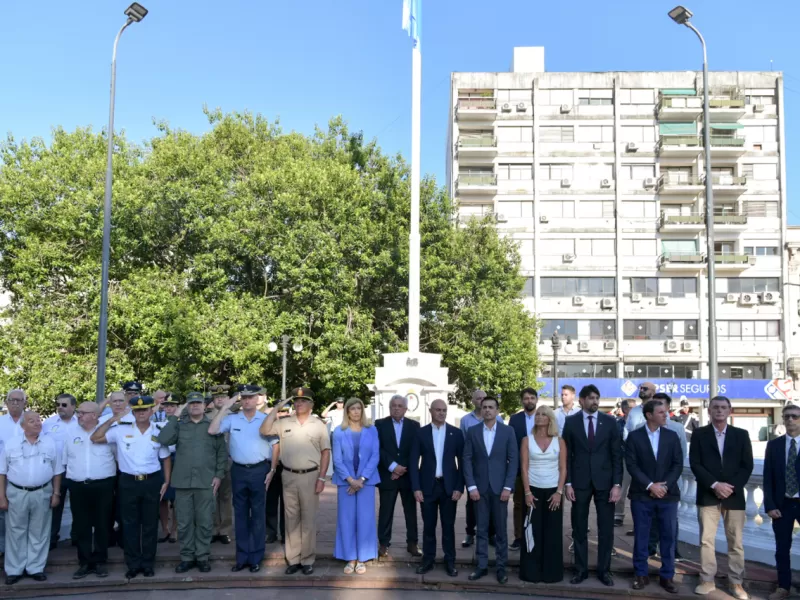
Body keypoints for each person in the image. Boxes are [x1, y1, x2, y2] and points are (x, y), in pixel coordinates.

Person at [91, 395, 171, 579]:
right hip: (128, 482)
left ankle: (148, 563)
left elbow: (165, 457)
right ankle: (133, 564)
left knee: (150, 524)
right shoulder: (120, 430)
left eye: (145, 410)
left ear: (151, 411)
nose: (141, 413)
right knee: (130, 525)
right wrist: (112, 418)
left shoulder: (160, 431)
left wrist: (166, 481)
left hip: (152, 481)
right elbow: (95, 437)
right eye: (137, 410)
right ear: (133, 412)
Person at [261, 387, 331, 576]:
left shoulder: (318, 425)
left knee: (308, 519)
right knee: (291, 518)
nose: (299, 404)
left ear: (311, 404)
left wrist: (322, 477)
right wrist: (277, 407)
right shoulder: (284, 422)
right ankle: (293, 559)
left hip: (310, 476)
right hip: (288, 475)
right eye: (296, 401)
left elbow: (326, 452)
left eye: (303, 401)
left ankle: (307, 559)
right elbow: (265, 429)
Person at [689, 396, 753, 600]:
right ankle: (707, 579)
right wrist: (715, 485)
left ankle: (736, 583)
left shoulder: (741, 435)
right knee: (706, 540)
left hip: (734, 497)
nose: (719, 410)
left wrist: (729, 488)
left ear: (730, 411)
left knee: (735, 542)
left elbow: (747, 466)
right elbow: (695, 464)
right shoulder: (699, 434)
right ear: (709, 411)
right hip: (708, 495)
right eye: (715, 407)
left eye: (723, 407)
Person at [158, 391, 228, 574]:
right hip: (182, 483)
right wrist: (174, 417)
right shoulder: (180, 426)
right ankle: (187, 557)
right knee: (184, 523)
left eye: (198, 402)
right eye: (191, 403)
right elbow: (163, 439)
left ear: (205, 406)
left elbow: (222, 453)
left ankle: (203, 557)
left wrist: (219, 475)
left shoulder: (213, 426)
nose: (195, 405)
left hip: (206, 482)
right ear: (186, 406)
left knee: (205, 522)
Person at [208, 384, 275, 573]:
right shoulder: (232, 418)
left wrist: (272, 469)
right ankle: (242, 557)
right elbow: (212, 430)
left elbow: (276, 445)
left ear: (257, 399)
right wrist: (225, 408)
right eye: (243, 397)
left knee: (258, 515)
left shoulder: (265, 419)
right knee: (241, 516)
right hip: (238, 470)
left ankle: (256, 557)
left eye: (250, 397)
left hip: (259, 470)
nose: (246, 400)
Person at [562, 384, 622, 587]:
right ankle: (580, 570)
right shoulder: (570, 423)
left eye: (597, 398)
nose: (594, 401)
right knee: (579, 528)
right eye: (590, 398)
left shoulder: (610, 422)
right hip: (578, 483)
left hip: (605, 483)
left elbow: (617, 455)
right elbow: (567, 456)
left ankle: (605, 571)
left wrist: (617, 484)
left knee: (606, 528)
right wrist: (568, 483)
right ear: (581, 400)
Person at [0, 411, 64, 585]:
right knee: (15, 532)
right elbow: (2, 472)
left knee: (40, 531)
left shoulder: (50, 443)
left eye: (38, 420)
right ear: (23, 426)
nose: (37, 423)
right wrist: (2, 497)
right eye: (32, 421)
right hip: (17, 493)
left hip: (43, 492)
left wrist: (56, 493)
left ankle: (35, 568)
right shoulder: (11, 444)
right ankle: (14, 570)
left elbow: (57, 471)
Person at [626, 400, 683, 594]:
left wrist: (663, 486)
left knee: (668, 536)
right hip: (642, 495)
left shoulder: (672, 436)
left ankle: (667, 576)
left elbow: (677, 464)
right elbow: (632, 465)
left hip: (667, 496)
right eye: (660, 412)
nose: (665, 415)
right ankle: (640, 574)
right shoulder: (634, 437)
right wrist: (650, 485)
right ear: (649, 415)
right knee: (642, 535)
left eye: (665, 412)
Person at [463, 396, 518, 584]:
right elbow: (466, 460)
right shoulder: (472, 431)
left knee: (501, 531)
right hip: (479, 489)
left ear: (497, 410)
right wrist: (471, 486)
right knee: (481, 530)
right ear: (481, 408)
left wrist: (508, 487)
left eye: (491, 407)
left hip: (500, 489)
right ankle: (481, 566)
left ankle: (502, 568)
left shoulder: (507, 431)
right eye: (484, 407)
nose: (487, 410)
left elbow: (513, 462)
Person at [61, 401, 117, 579]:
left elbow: (117, 458)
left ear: (94, 415)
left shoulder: (107, 432)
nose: (79, 415)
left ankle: (100, 561)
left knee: (102, 524)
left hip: (103, 485)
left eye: (83, 413)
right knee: (82, 525)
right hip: (78, 485)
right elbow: (65, 460)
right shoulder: (69, 433)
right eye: (78, 412)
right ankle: (84, 562)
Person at [410, 399, 464, 578]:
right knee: (428, 526)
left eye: (444, 410)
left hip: (449, 488)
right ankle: (428, 560)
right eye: (438, 410)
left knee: (448, 526)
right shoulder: (421, 433)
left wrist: (459, 487)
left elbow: (463, 463)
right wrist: (416, 487)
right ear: (431, 411)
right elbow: (413, 462)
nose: (441, 413)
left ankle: (450, 561)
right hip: (428, 487)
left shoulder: (455, 433)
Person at [332, 397, 380, 574]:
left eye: (358, 408)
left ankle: (362, 558)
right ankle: (350, 558)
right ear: (347, 412)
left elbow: (375, 456)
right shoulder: (338, 432)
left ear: (362, 410)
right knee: (347, 519)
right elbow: (337, 459)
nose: (356, 412)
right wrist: (351, 480)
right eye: (352, 409)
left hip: (366, 482)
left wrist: (361, 480)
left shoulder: (372, 430)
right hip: (345, 482)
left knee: (365, 519)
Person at [519, 404, 566, 584]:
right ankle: (531, 573)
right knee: (532, 530)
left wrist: (559, 492)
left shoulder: (559, 441)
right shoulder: (526, 440)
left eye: (543, 414)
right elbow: (524, 468)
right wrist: (527, 492)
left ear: (549, 419)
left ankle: (551, 574)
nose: (539, 417)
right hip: (533, 490)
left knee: (552, 533)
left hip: (554, 491)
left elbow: (563, 469)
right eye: (537, 414)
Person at [375, 394, 421, 557]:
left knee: (410, 511)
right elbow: (378, 449)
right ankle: (383, 544)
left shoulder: (415, 426)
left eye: (400, 406)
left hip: (408, 477)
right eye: (393, 405)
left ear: (405, 409)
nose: (396, 408)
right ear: (389, 407)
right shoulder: (379, 425)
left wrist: (402, 469)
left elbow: (415, 451)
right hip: (388, 476)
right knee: (386, 511)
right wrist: (393, 467)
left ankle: (412, 543)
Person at [763, 403, 800, 600]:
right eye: (787, 417)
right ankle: (783, 587)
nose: (790, 420)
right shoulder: (774, 445)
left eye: (794, 416)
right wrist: (770, 506)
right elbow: (767, 478)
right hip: (782, 504)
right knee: (782, 549)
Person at [459, 389, 504, 548]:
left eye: (484, 398)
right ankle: (470, 532)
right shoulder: (465, 421)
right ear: (473, 401)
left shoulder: (499, 419)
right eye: (478, 399)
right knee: (472, 502)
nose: (482, 401)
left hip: (492, 471)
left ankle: (491, 534)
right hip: (473, 469)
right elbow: (465, 446)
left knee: (492, 502)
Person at [648, 393, 688, 561]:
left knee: (671, 519)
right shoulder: (643, 429)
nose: (662, 410)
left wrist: (668, 482)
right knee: (651, 517)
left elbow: (681, 456)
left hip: (670, 482)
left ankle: (673, 550)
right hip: (650, 483)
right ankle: (651, 547)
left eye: (663, 405)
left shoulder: (676, 428)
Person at [617, 381, 656, 529]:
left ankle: (639, 525)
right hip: (631, 456)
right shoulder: (634, 412)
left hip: (650, 460)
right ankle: (619, 516)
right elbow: (627, 431)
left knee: (644, 492)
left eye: (645, 389)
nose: (641, 390)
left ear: (652, 392)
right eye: (640, 388)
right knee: (623, 487)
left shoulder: (658, 410)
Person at [43, 393, 78, 548]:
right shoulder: (48, 424)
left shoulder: (81, 422)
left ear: (73, 407)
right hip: (56, 471)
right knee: (55, 505)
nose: (60, 408)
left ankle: (77, 537)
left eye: (64, 405)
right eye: (58, 404)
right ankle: (51, 538)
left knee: (78, 506)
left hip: (76, 470)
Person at [508, 387, 538, 551]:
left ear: (536, 400)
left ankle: (535, 534)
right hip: (520, 469)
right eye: (526, 398)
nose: (529, 401)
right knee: (519, 503)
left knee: (536, 503)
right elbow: (512, 445)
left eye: (532, 398)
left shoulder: (543, 417)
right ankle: (519, 537)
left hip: (539, 469)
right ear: (522, 401)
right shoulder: (515, 419)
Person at [97, 391, 128, 549]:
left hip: (126, 469)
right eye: (114, 401)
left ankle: (124, 536)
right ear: (109, 403)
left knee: (124, 505)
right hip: (107, 468)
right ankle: (107, 537)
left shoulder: (133, 419)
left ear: (126, 401)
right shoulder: (102, 421)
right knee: (107, 505)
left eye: (120, 401)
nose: (117, 404)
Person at [0, 389, 27, 557]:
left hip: (28, 478)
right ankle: (3, 549)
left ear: (25, 402)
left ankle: (23, 550)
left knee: (24, 515)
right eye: (12, 400)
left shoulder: (33, 421)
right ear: (7, 402)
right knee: (3, 514)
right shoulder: (1, 423)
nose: (15, 403)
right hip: (4, 476)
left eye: (18, 400)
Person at [206, 385, 233, 544]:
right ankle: (213, 529)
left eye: (223, 397)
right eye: (217, 397)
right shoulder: (206, 415)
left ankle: (225, 530)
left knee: (225, 496)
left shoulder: (234, 415)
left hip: (228, 459)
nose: (220, 399)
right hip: (210, 461)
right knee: (211, 496)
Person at [156, 395, 179, 544]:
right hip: (160, 459)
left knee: (176, 497)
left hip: (177, 458)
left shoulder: (181, 422)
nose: (169, 408)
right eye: (167, 406)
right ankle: (165, 529)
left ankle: (175, 529)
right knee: (162, 497)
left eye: (172, 406)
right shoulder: (156, 422)